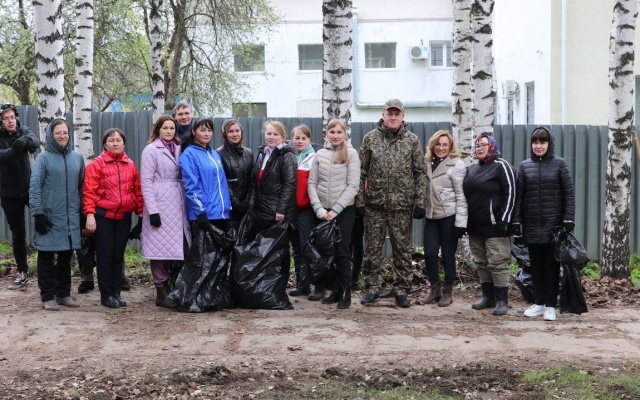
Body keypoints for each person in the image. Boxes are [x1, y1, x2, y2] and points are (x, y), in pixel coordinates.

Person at [356, 99, 427, 308]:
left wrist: (420, 202)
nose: (393, 117)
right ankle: (372, 289)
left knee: (402, 251)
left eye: (397, 114)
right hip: (375, 206)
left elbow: (420, 172)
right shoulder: (371, 138)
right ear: (383, 115)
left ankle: (401, 291)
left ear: (403, 116)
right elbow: (361, 172)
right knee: (372, 250)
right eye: (390, 113)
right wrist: (359, 201)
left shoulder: (412, 140)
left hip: (401, 207)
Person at [513, 127, 575, 322]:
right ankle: (538, 303)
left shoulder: (559, 164)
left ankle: (550, 306)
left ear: (549, 144)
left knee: (551, 267)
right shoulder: (525, 166)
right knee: (535, 266)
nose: (538, 146)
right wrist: (516, 220)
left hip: (553, 226)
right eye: (535, 142)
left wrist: (568, 219)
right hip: (531, 225)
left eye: (542, 142)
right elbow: (519, 196)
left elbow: (569, 193)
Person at [83, 128, 143, 309]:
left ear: (124, 143)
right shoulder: (96, 165)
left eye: (118, 140)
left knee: (118, 256)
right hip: (103, 217)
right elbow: (89, 192)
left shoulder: (130, 164)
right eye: (111, 140)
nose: (115, 143)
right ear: (105, 144)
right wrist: (90, 216)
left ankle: (116, 292)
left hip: (123, 218)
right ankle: (106, 295)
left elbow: (137, 190)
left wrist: (141, 215)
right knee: (105, 256)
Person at [29, 119, 84, 310]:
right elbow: (35, 187)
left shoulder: (77, 158)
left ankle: (63, 293)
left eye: (65, 132)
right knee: (46, 257)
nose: (62, 136)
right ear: (51, 136)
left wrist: (83, 212)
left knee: (66, 256)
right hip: (49, 216)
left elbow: (81, 187)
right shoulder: (43, 158)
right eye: (58, 133)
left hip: (70, 218)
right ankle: (47, 296)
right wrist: (38, 213)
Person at [308, 119, 360, 309]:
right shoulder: (319, 154)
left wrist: (336, 209)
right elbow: (312, 184)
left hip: (344, 211)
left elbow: (353, 186)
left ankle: (345, 291)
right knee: (326, 252)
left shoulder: (351, 154)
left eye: (339, 132)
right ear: (326, 134)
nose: (335, 136)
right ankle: (335, 289)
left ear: (345, 134)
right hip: (322, 211)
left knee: (342, 252)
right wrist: (319, 208)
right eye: (332, 132)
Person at [140, 115, 191, 308]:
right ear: (157, 130)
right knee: (159, 248)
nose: (169, 131)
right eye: (165, 128)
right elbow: (146, 182)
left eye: (172, 128)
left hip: (177, 203)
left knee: (174, 246)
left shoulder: (178, 148)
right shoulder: (151, 150)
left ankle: (171, 286)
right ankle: (160, 291)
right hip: (160, 202)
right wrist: (152, 211)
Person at [463, 133, 516, 316]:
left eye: (483, 145)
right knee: (481, 262)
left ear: (492, 146)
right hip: (475, 227)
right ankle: (488, 296)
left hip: (496, 227)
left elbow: (511, 194)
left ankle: (502, 300)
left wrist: (505, 221)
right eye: (477, 145)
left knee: (497, 263)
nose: (479, 148)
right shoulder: (472, 169)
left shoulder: (502, 166)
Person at [419, 130, 468, 307]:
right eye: (438, 144)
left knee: (448, 255)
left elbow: (461, 195)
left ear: (450, 146)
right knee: (430, 253)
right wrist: (419, 205)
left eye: (445, 145)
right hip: (431, 215)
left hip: (449, 216)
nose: (441, 148)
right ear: (433, 145)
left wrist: (461, 223)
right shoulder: (427, 162)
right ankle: (434, 289)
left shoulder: (457, 164)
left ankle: (448, 291)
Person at [250, 120, 297, 277]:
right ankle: (267, 283)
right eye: (269, 133)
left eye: (275, 134)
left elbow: (290, 184)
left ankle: (281, 283)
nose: (271, 137)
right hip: (262, 211)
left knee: (280, 250)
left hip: (277, 213)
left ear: (282, 137)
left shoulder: (286, 156)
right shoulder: (263, 153)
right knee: (265, 249)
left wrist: (281, 210)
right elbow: (256, 182)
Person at [0, 104, 39, 290]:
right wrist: (17, 147)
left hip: (29, 189)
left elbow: (34, 143)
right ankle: (22, 272)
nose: (10, 121)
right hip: (9, 194)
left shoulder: (24, 130)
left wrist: (23, 140)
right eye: (6, 118)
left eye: (12, 117)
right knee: (18, 234)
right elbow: (3, 156)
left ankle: (50, 267)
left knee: (44, 222)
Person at [180, 117, 231, 239]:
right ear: (194, 132)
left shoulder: (214, 154)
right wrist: (201, 212)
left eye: (209, 130)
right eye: (202, 130)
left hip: (221, 213)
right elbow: (191, 186)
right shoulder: (189, 154)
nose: (206, 134)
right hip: (204, 215)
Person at [287, 124, 319, 298]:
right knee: (296, 247)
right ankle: (301, 283)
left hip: (307, 208)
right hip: (290, 209)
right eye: (297, 138)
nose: (300, 141)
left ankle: (309, 282)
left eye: (303, 138)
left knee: (306, 245)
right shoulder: (289, 156)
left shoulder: (315, 157)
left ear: (309, 140)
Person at [216, 119, 254, 231]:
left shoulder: (249, 153)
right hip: (228, 208)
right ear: (225, 134)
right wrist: (237, 204)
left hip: (247, 208)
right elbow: (222, 182)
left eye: (237, 131)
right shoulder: (218, 154)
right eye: (231, 131)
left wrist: (249, 202)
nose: (235, 134)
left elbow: (252, 180)